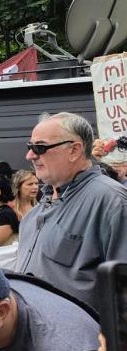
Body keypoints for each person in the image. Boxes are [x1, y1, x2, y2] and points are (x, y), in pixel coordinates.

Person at [15, 112, 127, 311]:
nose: (30, 155)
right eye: (29, 147)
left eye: (40, 147)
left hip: (86, 331)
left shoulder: (111, 200)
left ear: (74, 150)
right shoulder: (34, 213)